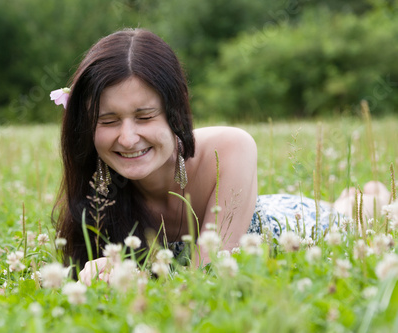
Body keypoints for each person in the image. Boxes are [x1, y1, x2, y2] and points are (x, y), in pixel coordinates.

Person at [51, 28, 385, 284]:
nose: (127, 137)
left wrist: (138, 281)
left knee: (361, 214)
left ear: (175, 112)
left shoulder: (229, 147)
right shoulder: (99, 196)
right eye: (108, 121)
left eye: (144, 117)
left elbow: (209, 276)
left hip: (297, 224)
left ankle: (362, 199)